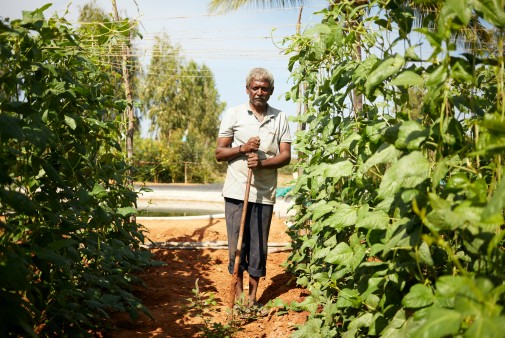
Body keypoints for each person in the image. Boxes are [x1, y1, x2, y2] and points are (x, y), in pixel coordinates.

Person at [215, 67, 292, 310]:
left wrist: (261, 163)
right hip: (237, 191)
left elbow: (286, 156)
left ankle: (252, 298)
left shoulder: (280, 118)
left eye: (264, 88)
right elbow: (219, 153)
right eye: (255, 87)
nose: (259, 91)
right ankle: (236, 295)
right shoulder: (234, 114)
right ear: (247, 89)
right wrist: (243, 148)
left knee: (258, 246)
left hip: (264, 193)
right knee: (238, 243)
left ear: (271, 91)